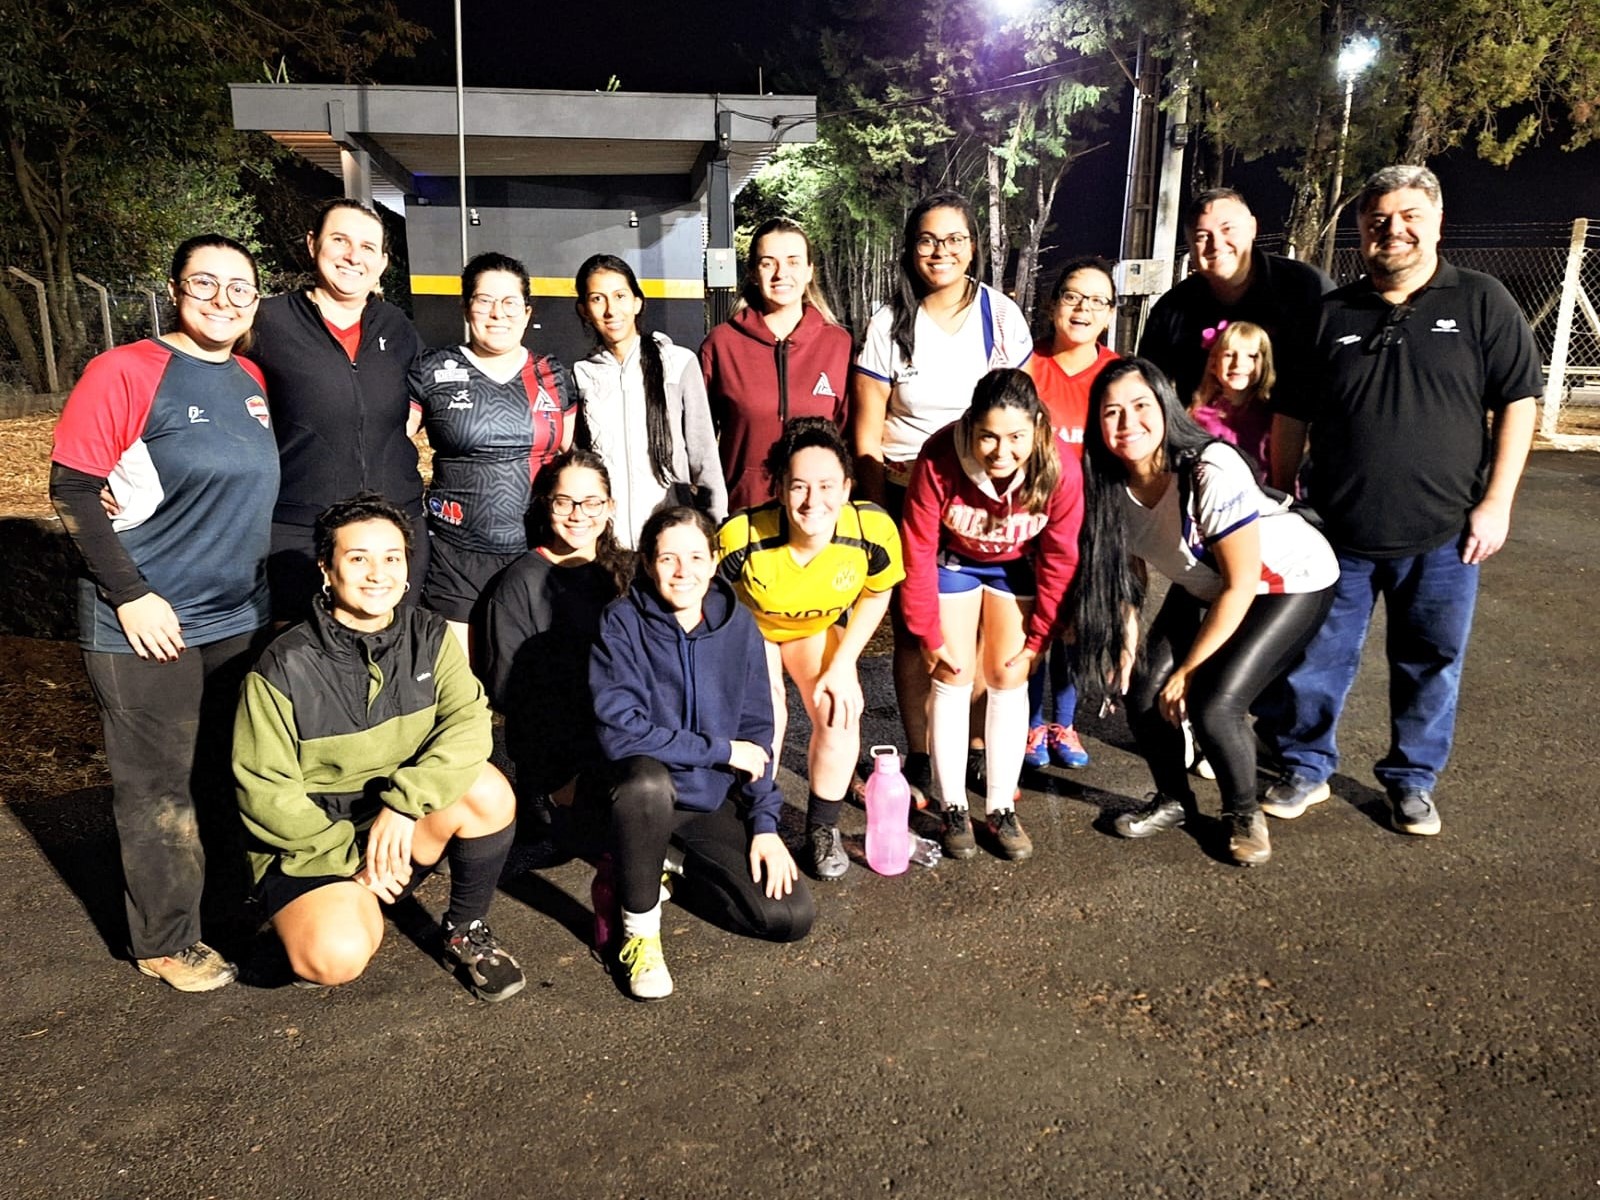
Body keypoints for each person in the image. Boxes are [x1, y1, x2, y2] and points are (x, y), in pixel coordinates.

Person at [1263, 165, 1542, 837]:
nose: (1394, 229)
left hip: (1446, 535)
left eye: (1409, 215)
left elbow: (1518, 403)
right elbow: (1291, 415)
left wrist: (1497, 502)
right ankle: (1306, 767)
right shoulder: (1331, 314)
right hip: (1338, 533)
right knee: (1317, 659)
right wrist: (1281, 498)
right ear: (1361, 229)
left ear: (1437, 222)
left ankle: (1412, 781)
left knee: (1431, 663)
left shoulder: (1481, 301)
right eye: (1378, 218)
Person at [49, 233, 278, 991]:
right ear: (175, 289)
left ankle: (218, 912)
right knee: (157, 787)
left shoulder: (248, 375)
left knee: (219, 771)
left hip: (234, 615)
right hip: (149, 622)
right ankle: (164, 940)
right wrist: (132, 594)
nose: (221, 298)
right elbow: (75, 488)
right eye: (204, 283)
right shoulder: (125, 371)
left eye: (238, 287)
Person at [234, 493, 525, 1001]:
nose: (378, 573)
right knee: (337, 956)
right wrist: (352, 860)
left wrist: (405, 804)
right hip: (316, 847)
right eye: (358, 558)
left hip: (396, 825)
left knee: (488, 789)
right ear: (327, 568)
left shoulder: (429, 634)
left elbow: (469, 724)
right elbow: (264, 793)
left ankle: (464, 930)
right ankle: (336, 907)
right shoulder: (283, 665)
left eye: (392, 558)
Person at [1074, 359, 1338, 866]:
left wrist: (1191, 672)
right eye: (1111, 413)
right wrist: (1126, 644)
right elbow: (1131, 575)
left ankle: (1243, 815)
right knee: (1144, 685)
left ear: (1165, 408)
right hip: (1208, 582)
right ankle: (1174, 800)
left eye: (1140, 406)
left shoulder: (1208, 467)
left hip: (1285, 580)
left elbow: (1241, 584)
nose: (1127, 423)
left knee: (1215, 701)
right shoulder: (1107, 481)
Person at [586, 506, 814, 1000]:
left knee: (788, 917)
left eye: (695, 556)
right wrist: (719, 749)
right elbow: (620, 732)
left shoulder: (739, 627)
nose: (683, 571)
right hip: (640, 799)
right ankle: (640, 932)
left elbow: (757, 732)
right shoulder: (622, 623)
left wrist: (767, 825)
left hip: (708, 801)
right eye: (668, 558)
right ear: (648, 564)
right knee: (645, 781)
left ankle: (667, 868)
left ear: (714, 561)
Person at [852, 192, 1033, 800]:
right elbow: (868, 427)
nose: (941, 251)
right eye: (928, 240)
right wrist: (875, 512)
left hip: (988, 498)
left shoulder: (1001, 317)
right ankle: (923, 750)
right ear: (910, 250)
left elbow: (1023, 412)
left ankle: (975, 747)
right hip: (908, 493)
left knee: (982, 627)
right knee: (914, 626)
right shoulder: (889, 323)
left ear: (973, 246)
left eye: (954, 239)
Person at [899, 369, 1083, 862]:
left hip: (1015, 567)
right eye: (989, 437)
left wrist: (1042, 632)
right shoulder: (940, 454)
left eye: (1017, 437)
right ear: (969, 427)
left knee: (1009, 674)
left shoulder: (1060, 466)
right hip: (955, 562)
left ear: (1038, 428)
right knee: (952, 671)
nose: (1002, 452)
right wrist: (924, 629)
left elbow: (1061, 555)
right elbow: (917, 544)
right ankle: (953, 804)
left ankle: (1001, 806)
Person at [717, 418, 905, 880]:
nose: (812, 501)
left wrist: (843, 665)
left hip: (814, 627)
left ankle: (822, 827)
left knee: (837, 706)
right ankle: (754, 823)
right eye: (798, 486)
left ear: (846, 488)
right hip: (752, 628)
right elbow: (710, 607)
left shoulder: (872, 531)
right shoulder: (740, 538)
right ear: (779, 489)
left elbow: (877, 594)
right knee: (769, 716)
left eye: (826, 486)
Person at [250, 198, 427, 621]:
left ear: (383, 262)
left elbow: (421, 390)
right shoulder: (265, 322)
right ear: (313, 245)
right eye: (340, 240)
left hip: (392, 528)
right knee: (302, 661)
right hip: (299, 529)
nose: (353, 256)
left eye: (368, 247)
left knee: (394, 653)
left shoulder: (396, 325)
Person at [407, 251, 576, 655]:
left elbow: (574, 460)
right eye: (484, 300)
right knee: (462, 689)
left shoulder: (553, 374)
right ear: (466, 307)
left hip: (536, 551)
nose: (497, 313)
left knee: (531, 684)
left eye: (509, 302)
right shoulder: (432, 369)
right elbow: (387, 448)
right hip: (456, 554)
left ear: (526, 310)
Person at [481, 449, 633, 828]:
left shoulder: (629, 575)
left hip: (625, 735)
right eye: (565, 502)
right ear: (547, 504)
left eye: (592, 502)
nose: (579, 514)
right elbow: (508, 690)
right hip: (557, 753)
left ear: (610, 506)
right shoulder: (521, 583)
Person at [1022, 256, 1121, 772]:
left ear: (1109, 313)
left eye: (1096, 300)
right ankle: (1030, 724)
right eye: (1072, 296)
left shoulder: (1118, 374)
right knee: (1035, 624)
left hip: (1092, 526)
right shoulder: (1028, 366)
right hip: (1032, 526)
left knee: (1075, 627)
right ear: (1052, 303)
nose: (1083, 308)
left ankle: (1064, 720)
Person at [571, 255, 727, 547]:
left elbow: (704, 457)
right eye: (597, 299)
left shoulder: (679, 363)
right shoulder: (582, 374)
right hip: (607, 544)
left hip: (670, 540)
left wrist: (715, 528)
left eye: (620, 296)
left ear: (637, 302)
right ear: (584, 310)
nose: (611, 310)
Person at [700, 218, 853, 511]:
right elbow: (697, 441)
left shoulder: (839, 345)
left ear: (810, 271)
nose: (781, 273)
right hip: (744, 515)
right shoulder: (721, 344)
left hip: (817, 515)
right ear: (754, 273)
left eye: (793, 262)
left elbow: (851, 438)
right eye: (768, 263)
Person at [1139, 188, 1332, 408]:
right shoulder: (1171, 309)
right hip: (1204, 438)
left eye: (1227, 229)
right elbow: (1148, 389)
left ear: (1252, 228)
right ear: (1191, 247)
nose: (1217, 244)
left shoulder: (1306, 288)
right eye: (1202, 236)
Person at [1188, 320, 1276, 482]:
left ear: (1264, 364)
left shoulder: (1272, 418)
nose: (1238, 363)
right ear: (1214, 364)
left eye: (1251, 356)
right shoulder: (1198, 415)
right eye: (1229, 355)